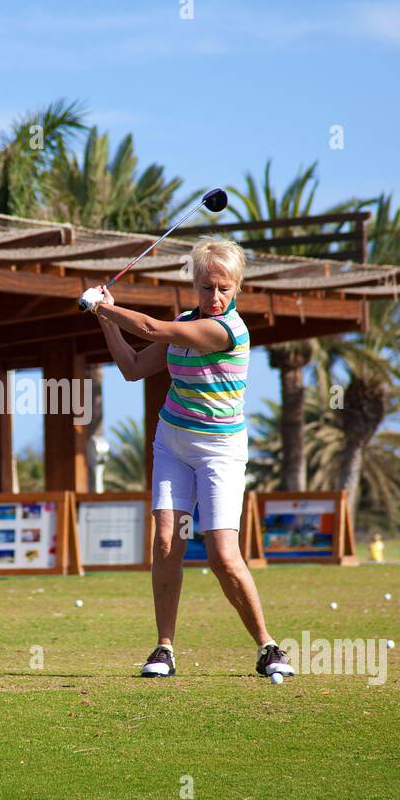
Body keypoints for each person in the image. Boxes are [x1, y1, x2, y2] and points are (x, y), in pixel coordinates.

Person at [81, 238, 294, 681]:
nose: (213, 297)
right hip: (173, 442)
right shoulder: (185, 321)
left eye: (223, 288)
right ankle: (164, 648)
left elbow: (152, 330)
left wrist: (103, 307)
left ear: (236, 288)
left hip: (220, 450)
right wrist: (105, 319)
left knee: (221, 553)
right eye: (205, 287)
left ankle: (267, 646)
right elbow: (133, 367)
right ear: (193, 286)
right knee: (165, 542)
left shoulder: (227, 331)